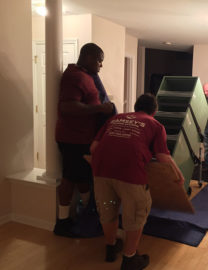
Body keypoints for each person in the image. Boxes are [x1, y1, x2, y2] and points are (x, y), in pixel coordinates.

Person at [90, 94, 184, 270]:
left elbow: (93, 148)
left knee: (108, 208)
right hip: (130, 175)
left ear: (135, 107)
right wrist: (178, 173)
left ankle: (111, 248)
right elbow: (163, 157)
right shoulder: (155, 124)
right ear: (154, 111)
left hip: (101, 172)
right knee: (135, 213)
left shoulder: (115, 118)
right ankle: (130, 258)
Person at [54, 43, 117, 237]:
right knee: (69, 178)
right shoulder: (73, 76)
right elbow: (67, 107)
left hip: (83, 138)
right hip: (73, 138)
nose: (100, 65)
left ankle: (87, 214)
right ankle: (62, 222)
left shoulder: (86, 76)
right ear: (88, 57)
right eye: (99, 60)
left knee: (83, 178)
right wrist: (100, 109)